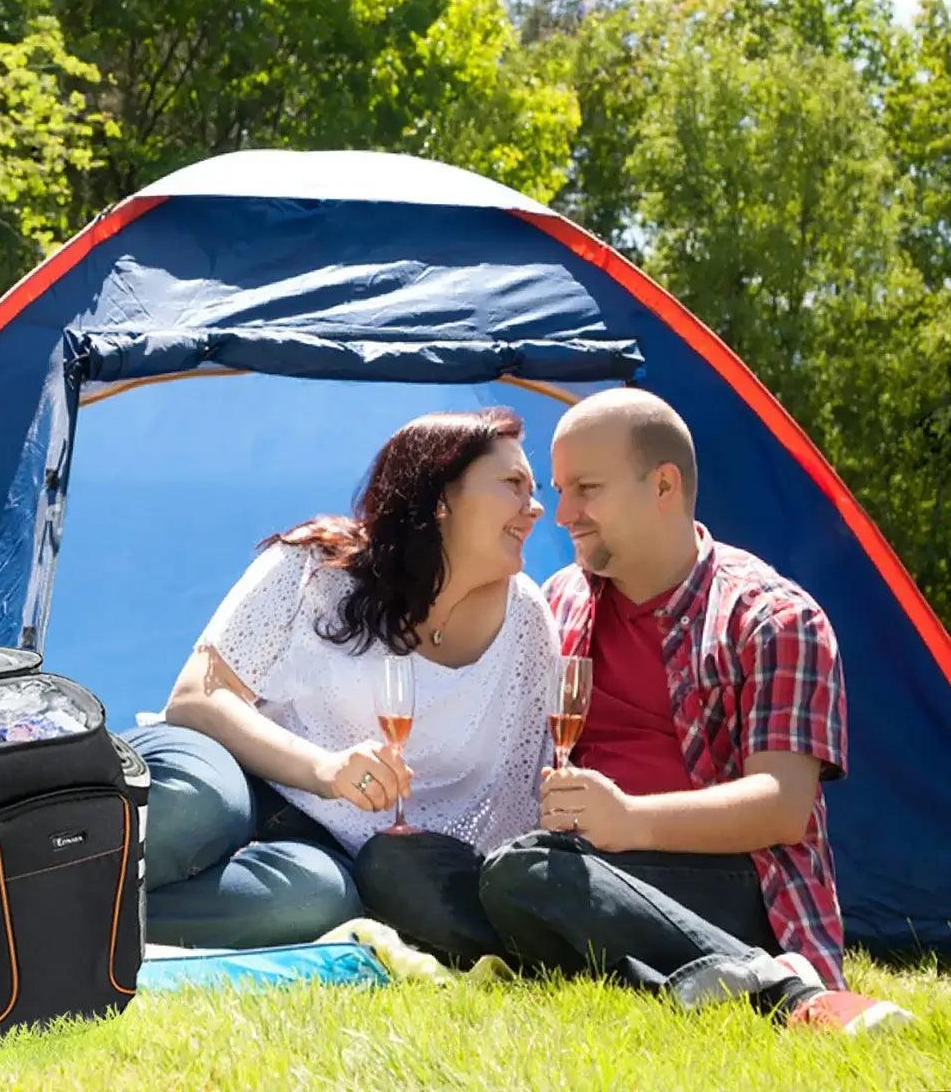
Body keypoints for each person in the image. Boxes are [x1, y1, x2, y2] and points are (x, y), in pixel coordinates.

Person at [477, 387, 913, 1033]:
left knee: (525, 875)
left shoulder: (774, 617)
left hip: (730, 885)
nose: (561, 512)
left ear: (663, 486)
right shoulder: (560, 600)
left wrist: (629, 820)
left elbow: (782, 808)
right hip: (586, 865)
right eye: (559, 488)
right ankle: (679, 974)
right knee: (410, 865)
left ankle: (787, 991)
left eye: (587, 489)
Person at [122, 407, 559, 950]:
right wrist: (325, 770)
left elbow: (514, 798)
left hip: (323, 849)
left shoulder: (527, 624)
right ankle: (16, 873)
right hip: (227, 765)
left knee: (315, 902)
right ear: (442, 499)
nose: (536, 506)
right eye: (513, 484)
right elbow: (196, 698)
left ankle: (71, 924)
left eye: (534, 488)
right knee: (199, 805)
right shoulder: (313, 566)